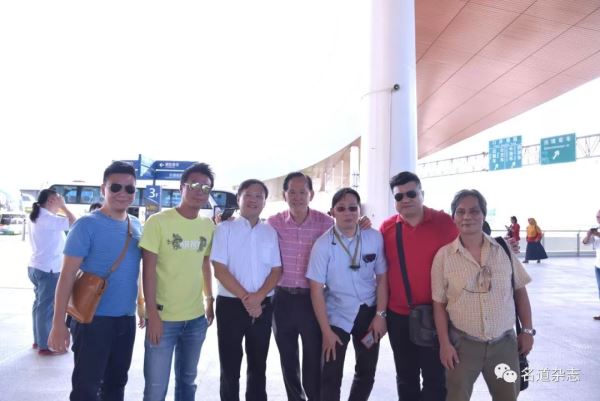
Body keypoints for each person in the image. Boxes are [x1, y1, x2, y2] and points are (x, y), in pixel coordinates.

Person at [48, 161, 143, 401]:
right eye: (115, 187)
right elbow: (66, 276)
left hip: (126, 320)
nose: (123, 193)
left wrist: (142, 306)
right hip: (91, 320)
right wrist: (58, 324)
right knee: (86, 388)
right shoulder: (86, 225)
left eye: (129, 188)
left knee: (116, 385)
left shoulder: (136, 225)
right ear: (103, 189)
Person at [431, 189, 534, 401]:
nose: (467, 217)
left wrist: (527, 330)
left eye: (474, 211)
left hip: (504, 344)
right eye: (461, 212)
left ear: (483, 215)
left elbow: (520, 291)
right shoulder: (444, 256)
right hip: (462, 345)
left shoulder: (503, 249)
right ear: (453, 217)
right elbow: (439, 304)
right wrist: (445, 344)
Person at [140, 163, 216, 401]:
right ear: (182, 187)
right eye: (194, 185)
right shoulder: (158, 222)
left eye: (206, 188)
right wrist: (152, 314)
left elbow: (205, 263)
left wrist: (209, 300)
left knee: (187, 383)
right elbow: (148, 270)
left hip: (195, 320)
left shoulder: (208, 225)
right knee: (155, 388)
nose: (199, 191)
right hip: (163, 320)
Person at [380, 171, 458, 401]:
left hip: (436, 316)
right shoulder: (387, 229)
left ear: (422, 193)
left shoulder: (444, 222)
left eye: (411, 194)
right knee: (406, 376)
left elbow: (472, 241)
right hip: (398, 317)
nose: (405, 199)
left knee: (436, 378)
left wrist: (505, 245)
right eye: (399, 196)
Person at [307, 187, 388, 401]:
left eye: (353, 208)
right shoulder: (322, 245)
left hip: (368, 314)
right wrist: (326, 331)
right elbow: (316, 291)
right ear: (332, 212)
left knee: (366, 371)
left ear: (360, 211)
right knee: (330, 375)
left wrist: (380, 316)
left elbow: (382, 279)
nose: (348, 213)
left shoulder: (374, 238)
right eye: (341, 208)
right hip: (336, 316)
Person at [210, 179, 282, 401]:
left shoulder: (269, 232)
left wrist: (258, 298)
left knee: (259, 365)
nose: (253, 200)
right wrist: (247, 299)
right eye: (248, 195)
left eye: (259, 196)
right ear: (239, 198)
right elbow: (219, 269)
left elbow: (276, 270)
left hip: (263, 306)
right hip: (230, 305)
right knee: (229, 367)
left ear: (264, 202)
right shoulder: (224, 229)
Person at [267, 172, 332, 401]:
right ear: (284, 195)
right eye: (292, 192)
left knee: (314, 356)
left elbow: (348, 236)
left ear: (311, 194)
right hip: (282, 299)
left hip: (312, 300)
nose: (297, 197)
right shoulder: (273, 223)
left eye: (302, 192)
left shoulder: (326, 223)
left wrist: (362, 223)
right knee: (288, 358)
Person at [28, 189, 76, 355]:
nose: (61, 201)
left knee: (39, 306)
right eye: (59, 199)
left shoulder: (37, 216)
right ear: (50, 201)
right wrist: (64, 207)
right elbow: (74, 222)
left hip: (36, 267)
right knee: (46, 308)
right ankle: (44, 345)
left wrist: (60, 206)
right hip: (48, 269)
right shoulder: (48, 218)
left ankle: (39, 340)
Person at [582, 209, 600, 320]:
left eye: (599, 217)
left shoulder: (597, 232)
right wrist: (589, 235)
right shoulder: (597, 229)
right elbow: (585, 242)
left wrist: (596, 233)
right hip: (598, 265)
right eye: (597, 217)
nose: (598, 219)